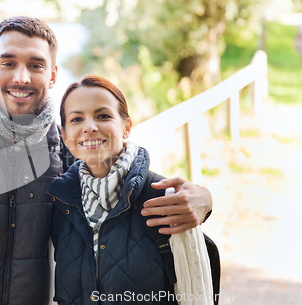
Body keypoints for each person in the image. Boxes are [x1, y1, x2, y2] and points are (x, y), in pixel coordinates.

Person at [0, 16, 213, 305]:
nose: (21, 77)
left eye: (35, 65)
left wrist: (203, 200)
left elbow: (117, 182)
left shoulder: (62, 145)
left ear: (53, 75)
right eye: (8, 63)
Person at [49, 75, 212, 304]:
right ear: (65, 136)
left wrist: (206, 198)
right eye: (77, 119)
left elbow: (197, 296)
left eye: (103, 116)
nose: (90, 127)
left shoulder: (167, 201)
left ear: (126, 127)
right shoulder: (62, 205)